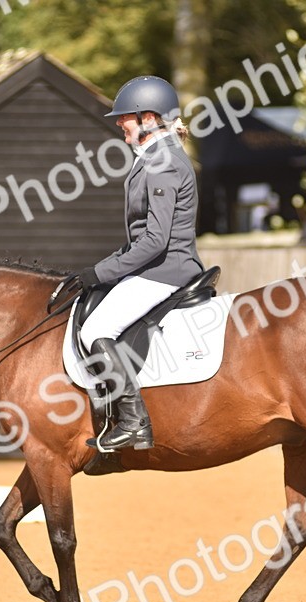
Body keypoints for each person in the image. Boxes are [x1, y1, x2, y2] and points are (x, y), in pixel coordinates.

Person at [76, 76, 204, 451]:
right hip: (156, 267)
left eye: (125, 117)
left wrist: (101, 273)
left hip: (165, 271)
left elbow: (155, 240)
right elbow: (139, 238)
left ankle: (133, 422)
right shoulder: (154, 157)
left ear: (148, 118)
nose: (119, 122)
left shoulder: (163, 162)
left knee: (94, 329)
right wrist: (101, 269)